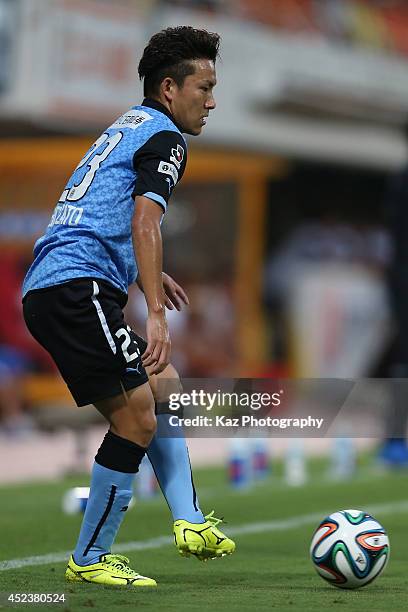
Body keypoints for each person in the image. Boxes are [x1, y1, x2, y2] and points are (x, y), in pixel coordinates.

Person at [22, 26, 235, 588]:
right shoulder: (167, 139)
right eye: (204, 87)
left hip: (62, 283)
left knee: (164, 382)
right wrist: (157, 313)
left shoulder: (127, 125)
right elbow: (145, 220)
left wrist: (144, 270)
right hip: (76, 288)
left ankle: (189, 520)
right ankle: (90, 558)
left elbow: (103, 209)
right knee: (137, 416)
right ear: (170, 88)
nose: (212, 101)